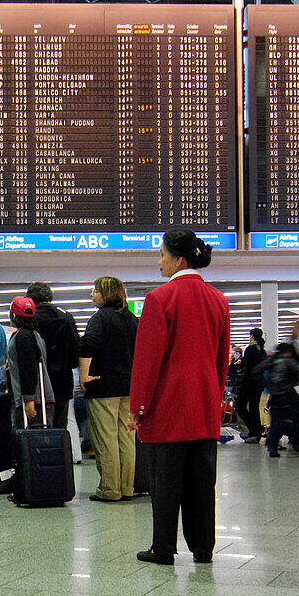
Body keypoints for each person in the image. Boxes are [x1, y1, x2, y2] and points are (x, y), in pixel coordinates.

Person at [131, 229, 229, 566]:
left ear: (179, 259)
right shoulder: (219, 300)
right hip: (204, 405)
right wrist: (215, 398)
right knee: (203, 483)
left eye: (162, 254)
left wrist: (138, 407)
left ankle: (163, 548)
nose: (159, 261)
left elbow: (148, 361)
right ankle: (203, 548)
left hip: (168, 406)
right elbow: (221, 359)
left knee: (165, 481)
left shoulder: (160, 298)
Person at [79, 276, 139, 503]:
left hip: (103, 386)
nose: (92, 295)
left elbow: (88, 344)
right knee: (126, 439)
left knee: (106, 440)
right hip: (129, 387)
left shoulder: (100, 318)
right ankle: (126, 488)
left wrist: (84, 375)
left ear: (107, 293)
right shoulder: (132, 319)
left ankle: (109, 489)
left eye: (95, 291)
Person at [27, 282, 80, 430]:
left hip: (39, 385)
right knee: (60, 429)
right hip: (63, 383)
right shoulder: (67, 318)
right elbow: (77, 351)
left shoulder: (30, 320)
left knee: (38, 431)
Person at [7, 297, 55, 430]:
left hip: (33, 401)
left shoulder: (23, 337)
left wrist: (29, 400)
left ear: (14, 315)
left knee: (29, 444)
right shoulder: (35, 335)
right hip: (41, 398)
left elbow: (29, 368)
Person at [257, 343, 299, 458]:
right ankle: (298, 441)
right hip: (288, 396)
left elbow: (256, 371)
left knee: (276, 422)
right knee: (293, 420)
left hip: (275, 396)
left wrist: (268, 384)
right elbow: (296, 378)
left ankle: (272, 446)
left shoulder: (272, 361)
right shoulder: (290, 362)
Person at [236, 328, 267, 444]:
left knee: (239, 406)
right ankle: (256, 432)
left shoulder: (250, 349)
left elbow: (243, 365)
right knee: (254, 408)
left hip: (248, 383)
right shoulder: (262, 351)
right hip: (259, 383)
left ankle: (255, 430)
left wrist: (230, 368)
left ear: (252, 336)